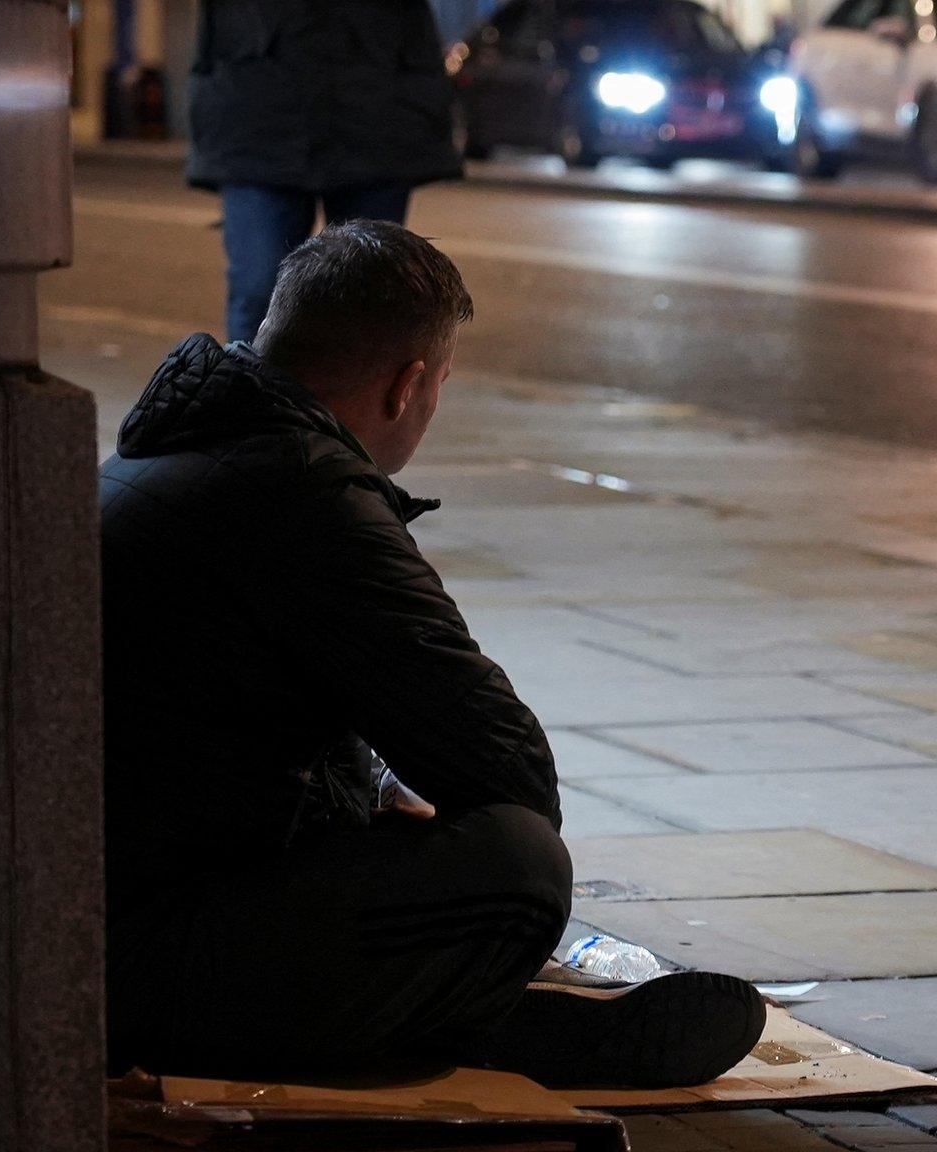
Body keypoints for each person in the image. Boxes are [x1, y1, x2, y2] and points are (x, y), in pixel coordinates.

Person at [98, 220, 767, 1086]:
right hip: (148, 962)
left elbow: (226, 719)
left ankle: (466, 1024)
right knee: (517, 865)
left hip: (101, 913)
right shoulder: (304, 494)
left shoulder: (165, 456)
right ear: (409, 384)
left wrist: (375, 789)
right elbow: (505, 765)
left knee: (409, 833)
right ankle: (477, 1031)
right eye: (442, 383)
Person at [187, 0, 464, 343]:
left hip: (375, 115)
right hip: (256, 113)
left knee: (368, 296)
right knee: (259, 291)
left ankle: (354, 397)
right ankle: (254, 396)